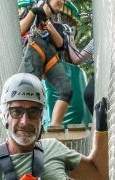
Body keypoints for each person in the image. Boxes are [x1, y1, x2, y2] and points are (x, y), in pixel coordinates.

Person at [19, 0, 75, 128]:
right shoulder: (30, 13)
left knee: (67, 90)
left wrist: (49, 26)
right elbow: (21, 29)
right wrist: (34, 13)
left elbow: (60, 44)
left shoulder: (57, 26)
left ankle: (54, 126)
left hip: (50, 55)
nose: (62, 1)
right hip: (33, 47)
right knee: (33, 91)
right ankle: (32, 126)